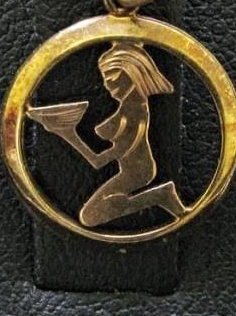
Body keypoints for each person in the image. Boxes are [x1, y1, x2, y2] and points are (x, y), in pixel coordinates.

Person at [27, 42, 186, 227]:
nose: (106, 84)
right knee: (91, 213)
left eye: (112, 77)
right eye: (104, 78)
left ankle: (160, 196)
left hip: (138, 172)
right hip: (132, 170)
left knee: (89, 216)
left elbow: (98, 161)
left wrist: (68, 134)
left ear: (131, 74)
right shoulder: (128, 108)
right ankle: (159, 195)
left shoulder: (135, 114)